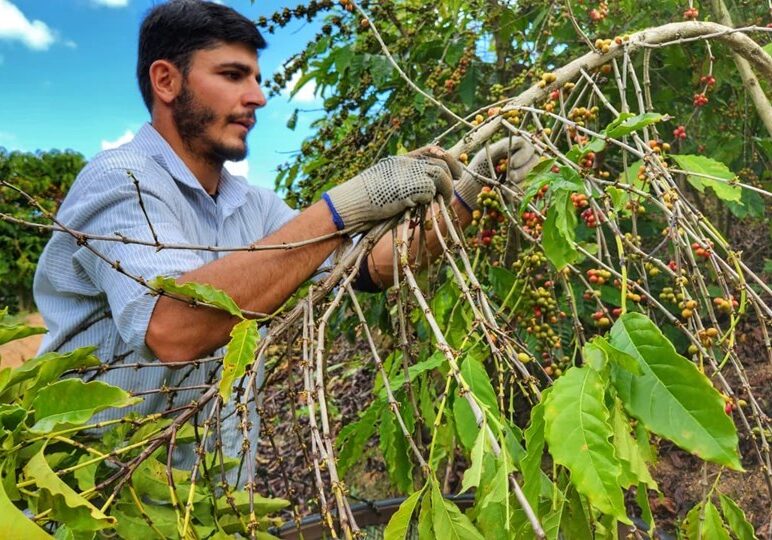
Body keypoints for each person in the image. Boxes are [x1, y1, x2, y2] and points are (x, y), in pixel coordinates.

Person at [33, 0, 536, 471]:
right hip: (100, 494)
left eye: (255, 78)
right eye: (232, 75)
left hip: (216, 497)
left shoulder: (254, 206)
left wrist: (467, 196)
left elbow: (368, 266)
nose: (257, 97)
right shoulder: (121, 183)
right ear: (166, 81)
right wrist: (340, 210)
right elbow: (173, 328)